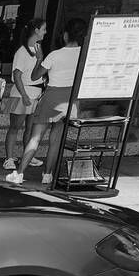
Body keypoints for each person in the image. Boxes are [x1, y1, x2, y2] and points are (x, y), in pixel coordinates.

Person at [8, 18, 87, 186]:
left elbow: (35, 76)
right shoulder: (84, 55)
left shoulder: (54, 55)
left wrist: (39, 58)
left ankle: (20, 173)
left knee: (35, 138)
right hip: (70, 99)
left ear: (65, 35)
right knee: (56, 141)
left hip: (51, 96)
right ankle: (47, 175)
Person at [3, 18, 47, 171]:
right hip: (23, 93)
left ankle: (27, 155)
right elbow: (16, 75)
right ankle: (8, 158)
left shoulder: (37, 49)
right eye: (43, 29)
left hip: (36, 92)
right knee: (15, 127)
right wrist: (24, 95)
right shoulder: (22, 51)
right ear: (36, 30)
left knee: (30, 128)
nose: (45, 32)